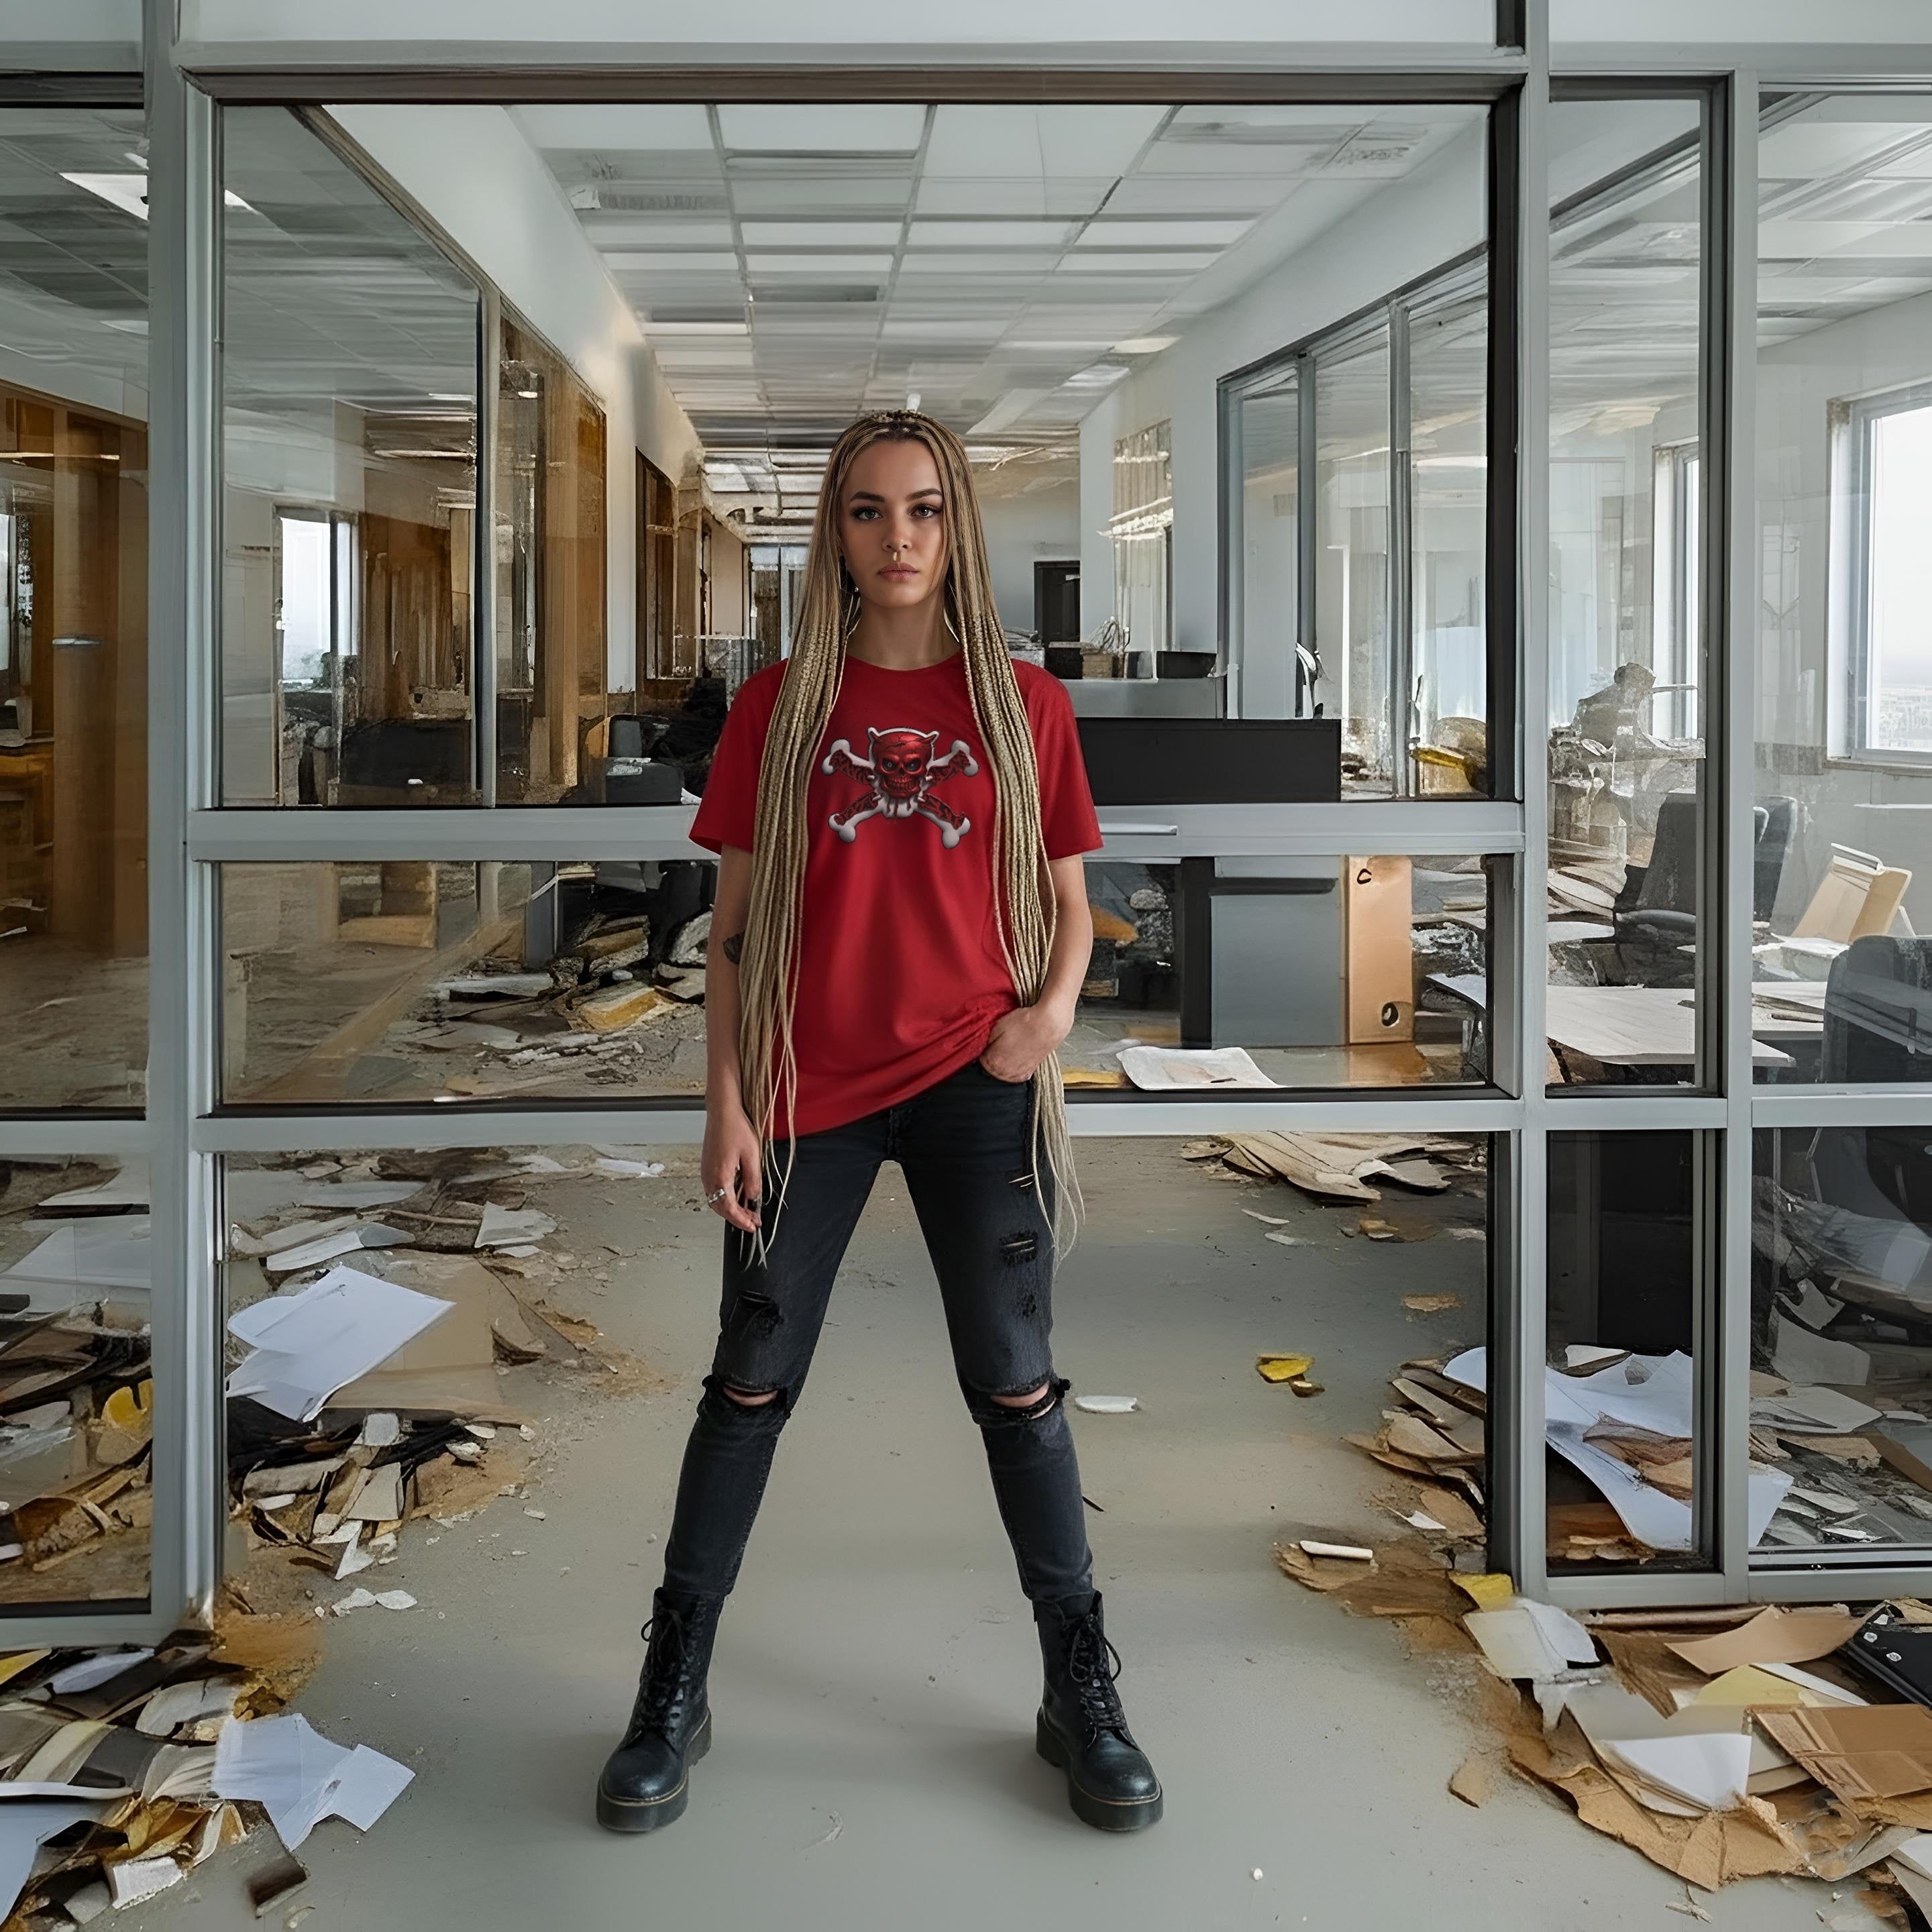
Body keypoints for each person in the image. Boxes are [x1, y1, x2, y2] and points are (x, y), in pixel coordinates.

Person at [595, 411, 1162, 1837]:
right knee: (747, 1382)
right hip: (806, 1091)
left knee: (1018, 1383)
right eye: (865, 512)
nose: (895, 538)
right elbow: (729, 932)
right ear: (834, 534)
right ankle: (674, 1684)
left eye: (920, 511)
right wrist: (723, 1105)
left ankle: (1077, 1685)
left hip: (978, 1084)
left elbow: (1076, 904)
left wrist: (1048, 1017)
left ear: (954, 528)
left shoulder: (1024, 707)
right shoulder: (785, 704)